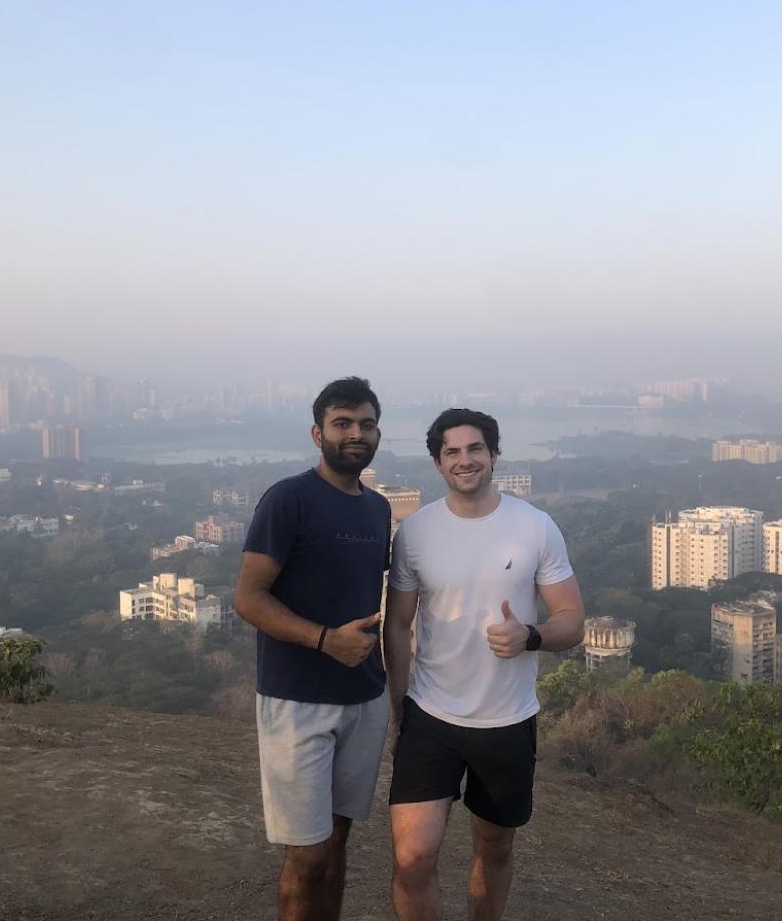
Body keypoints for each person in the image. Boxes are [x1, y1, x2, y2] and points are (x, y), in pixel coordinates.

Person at [383, 408, 585, 921]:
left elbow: (572, 621)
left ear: (494, 455)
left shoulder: (535, 527)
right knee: (412, 858)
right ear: (437, 463)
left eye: (475, 448)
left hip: (507, 719)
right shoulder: (415, 533)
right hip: (431, 713)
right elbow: (398, 624)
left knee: (494, 849)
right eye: (452, 451)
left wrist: (530, 636)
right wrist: (398, 705)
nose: (465, 459)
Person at [234, 376, 392, 921]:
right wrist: (326, 641)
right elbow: (248, 598)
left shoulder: (378, 510)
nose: (355, 434)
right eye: (342, 424)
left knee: (338, 844)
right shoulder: (289, 499)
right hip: (298, 700)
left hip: (364, 698)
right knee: (307, 856)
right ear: (317, 432)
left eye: (366, 424)